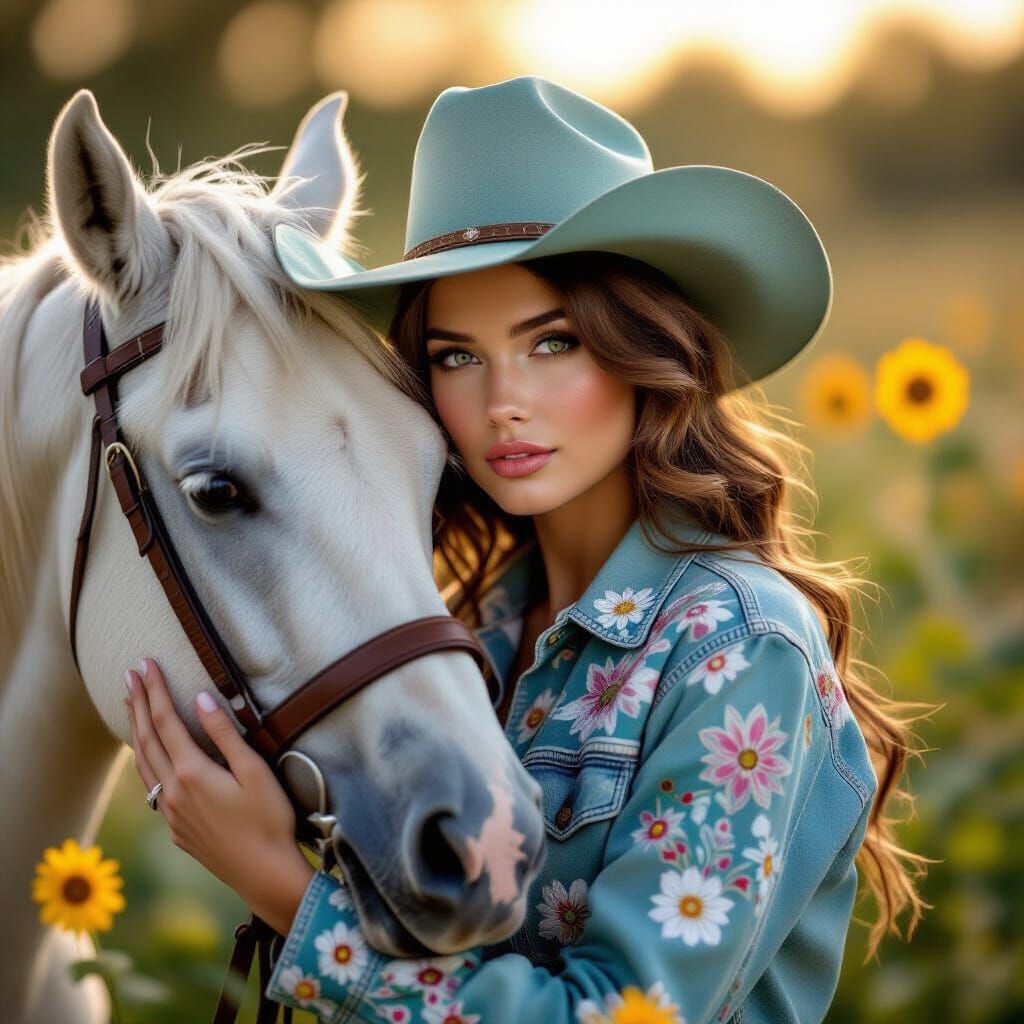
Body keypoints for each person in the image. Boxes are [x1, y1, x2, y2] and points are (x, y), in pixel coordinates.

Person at [122, 76, 927, 1023]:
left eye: (552, 343)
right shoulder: (477, 626)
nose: (502, 398)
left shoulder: (736, 648)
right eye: (457, 355)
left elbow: (626, 1016)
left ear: (643, 348)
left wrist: (288, 897)